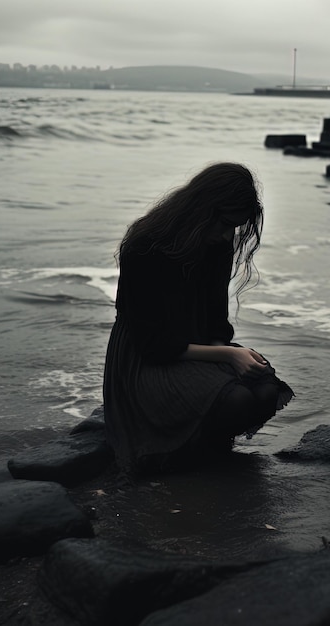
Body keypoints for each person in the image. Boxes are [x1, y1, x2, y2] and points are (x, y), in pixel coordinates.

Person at [103, 162, 294, 474]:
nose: (226, 235)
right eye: (224, 224)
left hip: (196, 345)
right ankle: (187, 450)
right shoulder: (146, 246)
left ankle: (205, 440)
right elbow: (153, 344)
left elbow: (216, 318)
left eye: (235, 227)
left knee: (264, 388)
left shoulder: (216, 243)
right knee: (237, 401)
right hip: (144, 359)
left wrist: (227, 356)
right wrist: (227, 355)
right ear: (202, 209)